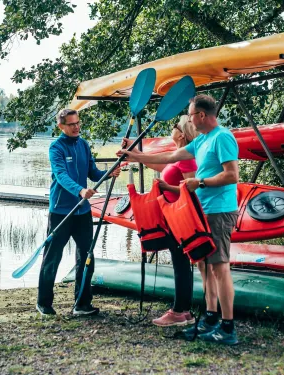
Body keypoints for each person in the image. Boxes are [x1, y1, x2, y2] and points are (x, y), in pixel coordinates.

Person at [118, 95, 240, 345]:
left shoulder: (222, 137)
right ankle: (210, 318)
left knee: (219, 268)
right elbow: (169, 158)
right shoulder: (203, 140)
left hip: (219, 210)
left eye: (191, 114)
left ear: (203, 115)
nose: (189, 119)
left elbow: (232, 175)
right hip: (202, 210)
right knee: (204, 267)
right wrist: (134, 155)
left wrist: (201, 182)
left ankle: (228, 328)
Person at [37, 108, 121, 317]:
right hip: (61, 211)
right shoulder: (56, 148)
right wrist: (80, 190)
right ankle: (44, 303)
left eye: (78, 123)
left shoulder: (83, 145)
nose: (76, 127)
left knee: (86, 256)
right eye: (71, 124)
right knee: (52, 258)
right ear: (61, 126)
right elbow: (62, 176)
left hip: (82, 211)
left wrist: (109, 173)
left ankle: (81, 304)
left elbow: (93, 173)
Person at [122, 115, 199, 327]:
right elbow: (157, 163)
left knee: (181, 264)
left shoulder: (187, 157)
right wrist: (133, 152)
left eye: (174, 125)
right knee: (179, 262)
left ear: (181, 134)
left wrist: (167, 188)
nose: (171, 128)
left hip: (181, 216)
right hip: (171, 216)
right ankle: (183, 311)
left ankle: (180, 311)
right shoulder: (178, 155)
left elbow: (192, 188)